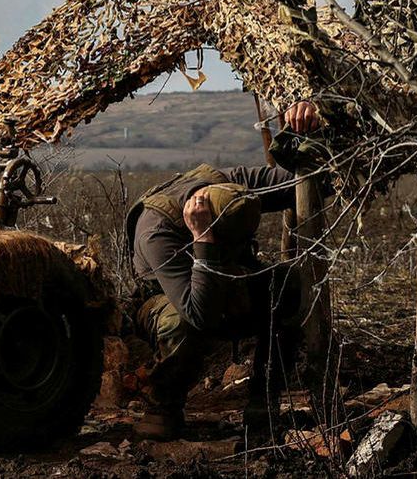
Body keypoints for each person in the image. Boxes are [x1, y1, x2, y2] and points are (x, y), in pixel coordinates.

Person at [124, 99, 323, 440]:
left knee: (288, 285)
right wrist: (204, 238)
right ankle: (164, 404)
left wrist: (305, 132)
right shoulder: (158, 228)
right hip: (169, 299)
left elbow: (309, 181)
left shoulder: (230, 184)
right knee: (180, 322)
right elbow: (199, 313)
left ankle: (263, 406)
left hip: (227, 279)